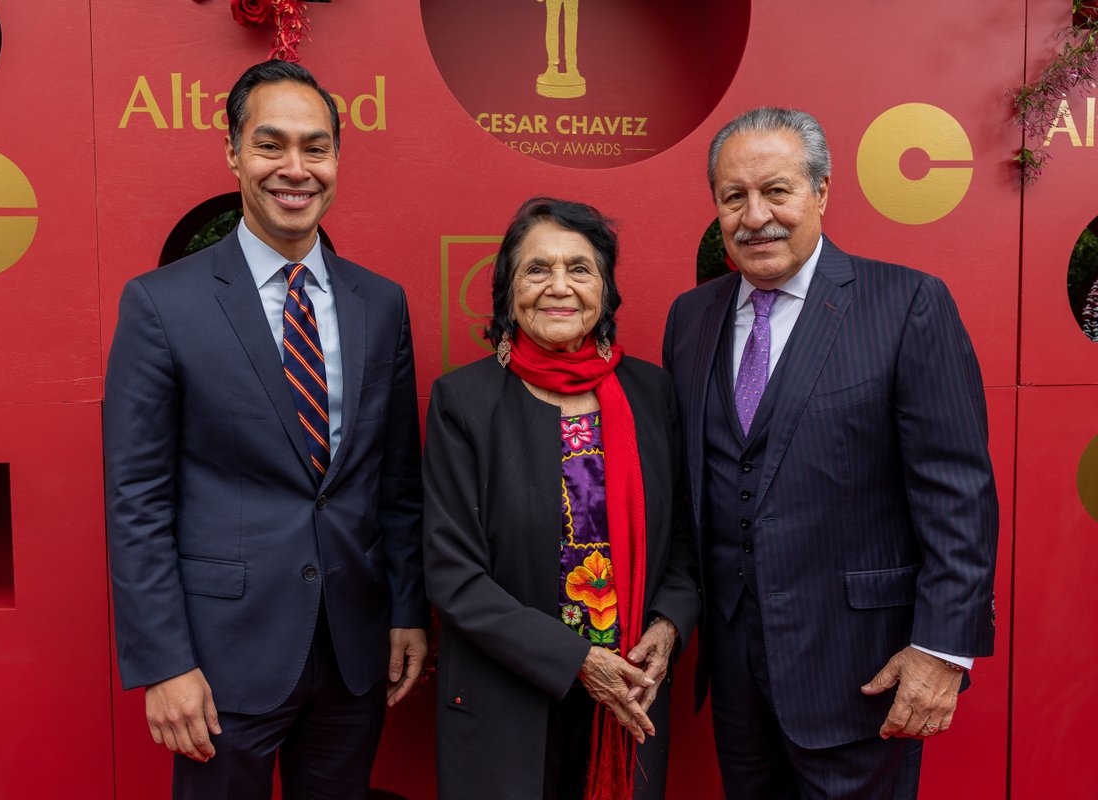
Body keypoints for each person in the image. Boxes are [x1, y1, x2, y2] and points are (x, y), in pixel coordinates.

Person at [103, 60, 427, 799]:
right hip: (220, 664)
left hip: (353, 650)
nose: (295, 168)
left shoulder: (380, 303)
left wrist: (407, 612)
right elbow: (137, 500)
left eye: (315, 148)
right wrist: (163, 663)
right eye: (270, 144)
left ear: (338, 159)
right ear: (232, 153)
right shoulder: (162, 305)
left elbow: (397, 480)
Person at [663, 106, 1000, 798]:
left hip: (861, 673)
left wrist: (941, 651)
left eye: (776, 191)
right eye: (734, 198)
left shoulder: (906, 305)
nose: (755, 216)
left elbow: (957, 491)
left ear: (820, 193)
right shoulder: (690, 318)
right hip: (735, 678)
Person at [423, 198, 701, 800]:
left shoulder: (651, 393)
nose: (559, 287)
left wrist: (671, 623)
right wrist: (578, 660)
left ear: (605, 289)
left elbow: (684, 532)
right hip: (508, 699)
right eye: (537, 269)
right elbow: (452, 574)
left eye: (580, 269)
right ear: (507, 288)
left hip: (628, 698)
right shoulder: (464, 402)